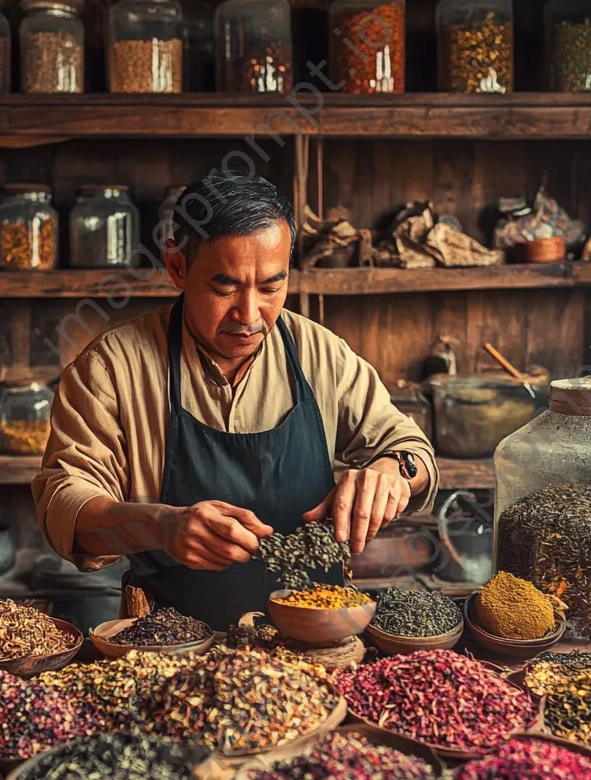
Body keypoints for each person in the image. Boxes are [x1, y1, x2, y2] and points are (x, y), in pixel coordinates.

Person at [33, 174, 438, 629]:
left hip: (317, 636)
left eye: (270, 287)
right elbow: (63, 503)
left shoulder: (318, 352)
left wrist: (392, 472)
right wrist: (162, 526)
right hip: (169, 642)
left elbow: (411, 450)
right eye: (225, 288)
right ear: (177, 267)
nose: (248, 316)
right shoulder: (112, 367)